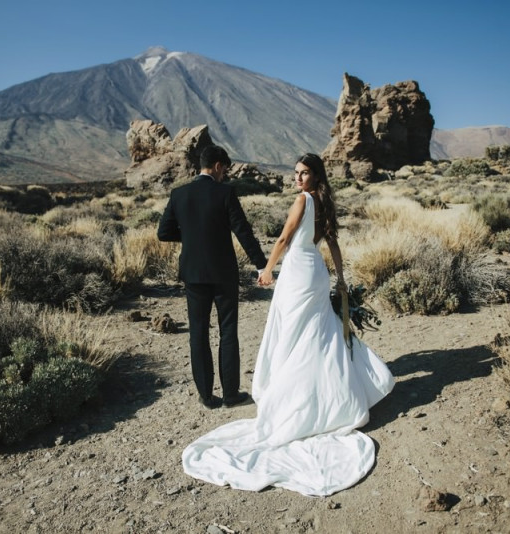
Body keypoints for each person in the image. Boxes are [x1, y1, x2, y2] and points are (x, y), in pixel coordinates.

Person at [182, 153, 395, 496]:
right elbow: (333, 243)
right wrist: (340, 278)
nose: (298, 178)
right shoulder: (324, 202)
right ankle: (331, 397)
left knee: (294, 334)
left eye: (304, 173)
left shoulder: (303, 201)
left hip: (297, 272)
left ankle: (296, 399)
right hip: (316, 271)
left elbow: (283, 238)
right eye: (296, 173)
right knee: (318, 332)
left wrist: (267, 269)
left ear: (316, 175)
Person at [157, 145, 268, 409]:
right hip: (223, 272)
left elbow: (164, 233)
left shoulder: (179, 194)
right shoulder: (225, 193)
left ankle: (207, 396)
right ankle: (230, 394)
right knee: (228, 330)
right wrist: (261, 265)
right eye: (225, 170)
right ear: (218, 166)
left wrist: (192, 234)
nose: (224, 175)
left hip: (193, 274)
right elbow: (243, 231)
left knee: (198, 332)